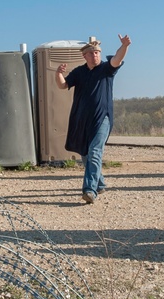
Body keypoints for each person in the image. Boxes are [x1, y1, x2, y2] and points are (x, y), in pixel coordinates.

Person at [56, 34, 131, 203]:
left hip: (102, 118)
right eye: (91, 53)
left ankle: (89, 190)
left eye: (97, 53)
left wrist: (125, 46)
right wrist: (58, 73)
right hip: (82, 119)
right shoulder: (79, 72)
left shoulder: (106, 69)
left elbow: (117, 59)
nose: (95, 55)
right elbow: (63, 85)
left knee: (95, 152)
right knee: (85, 154)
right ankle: (100, 183)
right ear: (85, 56)